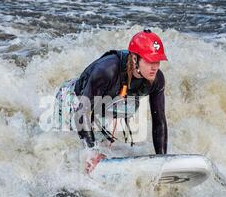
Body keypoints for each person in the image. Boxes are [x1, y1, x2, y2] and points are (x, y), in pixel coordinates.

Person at [54, 29, 168, 173]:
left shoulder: (156, 79)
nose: (155, 66)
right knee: (71, 152)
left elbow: (159, 121)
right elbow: (81, 112)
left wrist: (163, 160)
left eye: (157, 61)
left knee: (101, 149)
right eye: (149, 60)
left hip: (103, 105)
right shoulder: (107, 70)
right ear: (134, 58)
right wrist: (91, 153)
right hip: (72, 101)